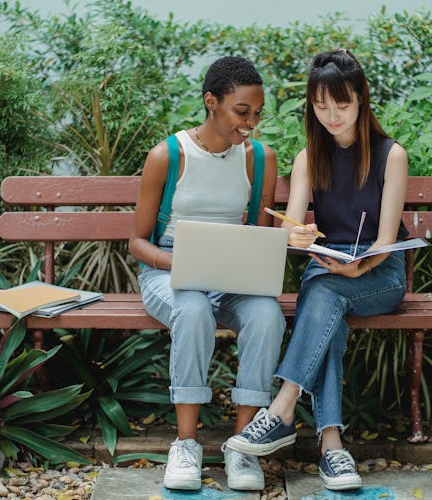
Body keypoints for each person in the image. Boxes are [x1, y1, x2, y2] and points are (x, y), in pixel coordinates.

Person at [225, 49, 409, 491]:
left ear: (361, 99)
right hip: (329, 267)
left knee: (323, 295)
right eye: (321, 106)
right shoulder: (309, 158)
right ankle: (332, 447)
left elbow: (386, 241)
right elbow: (291, 232)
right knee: (328, 311)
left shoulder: (391, 155)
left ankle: (282, 408)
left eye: (341, 105)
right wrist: (300, 236)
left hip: (380, 272)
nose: (331, 115)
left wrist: (359, 266)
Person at [128, 56, 285, 492]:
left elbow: (261, 236)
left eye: (257, 113)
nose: (251, 123)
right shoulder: (168, 155)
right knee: (193, 310)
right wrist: (182, 263)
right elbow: (137, 241)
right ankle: (186, 444)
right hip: (169, 270)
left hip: (232, 273)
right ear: (211, 102)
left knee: (267, 316)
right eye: (242, 111)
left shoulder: (259, 158)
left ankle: (241, 447)